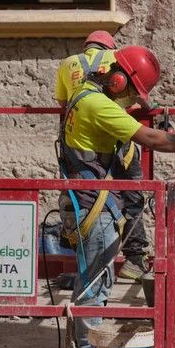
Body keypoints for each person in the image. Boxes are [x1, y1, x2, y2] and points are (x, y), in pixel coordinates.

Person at [58, 45, 175, 348]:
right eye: (134, 92)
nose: (135, 101)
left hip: (90, 203)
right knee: (94, 288)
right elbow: (152, 140)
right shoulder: (97, 105)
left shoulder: (87, 96)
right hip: (96, 208)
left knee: (95, 282)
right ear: (118, 81)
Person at [53, 32, 149, 281]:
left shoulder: (67, 64)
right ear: (109, 46)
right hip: (117, 141)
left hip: (81, 148)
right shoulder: (117, 59)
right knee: (131, 193)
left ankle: (83, 263)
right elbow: (137, 98)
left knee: (82, 197)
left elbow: (63, 103)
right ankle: (134, 260)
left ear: (86, 47)